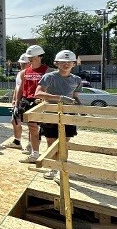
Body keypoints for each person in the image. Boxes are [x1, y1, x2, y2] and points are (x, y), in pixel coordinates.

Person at [35, 50, 82, 182]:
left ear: (74, 64)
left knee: (64, 144)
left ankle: (60, 168)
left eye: (69, 62)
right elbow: (38, 93)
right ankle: (52, 167)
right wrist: (59, 98)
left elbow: (75, 96)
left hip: (69, 115)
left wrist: (80, 106)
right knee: (51, 143)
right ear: (57, 63)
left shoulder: (76, 80)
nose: (66, 64)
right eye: (62, 62)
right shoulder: (49, 77)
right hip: (50, 114)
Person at [18, 45, 49, 164]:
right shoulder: (25, 72)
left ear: (40, 56)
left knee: (47, 131)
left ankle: (50, 154)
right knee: (32, 128)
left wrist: (45, 99)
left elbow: (51, 87)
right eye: (29, 57)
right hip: (28, 101)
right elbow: (21, 89)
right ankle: (35, 154)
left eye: (33, 57)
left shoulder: (47, 71)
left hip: (42, 103)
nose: (30, 59)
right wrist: (17, 103)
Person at [9, 54, 31, 151]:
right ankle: (17, 142)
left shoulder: (30, 74)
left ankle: (31, 144)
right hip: (19, 101)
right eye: (21, 63)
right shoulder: (20, 74)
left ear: (29, 63)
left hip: (27, 101)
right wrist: (14, 99)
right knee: (15, 121)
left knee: (32, 124)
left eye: (24, 63)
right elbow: (17, 87)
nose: (21, 65)